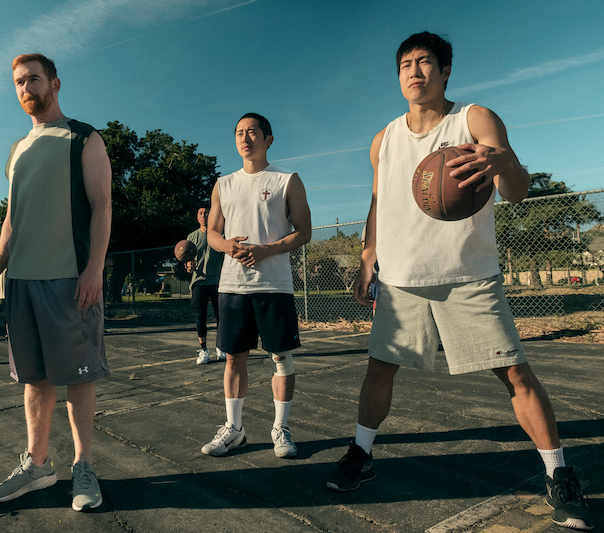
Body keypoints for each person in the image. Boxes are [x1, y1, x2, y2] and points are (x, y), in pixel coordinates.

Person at [326, 32, 592, 531]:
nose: (414, 71)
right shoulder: (384, 139)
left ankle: (559, 475)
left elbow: (515, 193)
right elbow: (379, 204)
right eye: (405, 64)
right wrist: (368, 256)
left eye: (424, 61)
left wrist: (505, 163)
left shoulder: (472, 119)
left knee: (514, 374)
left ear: (445, 70)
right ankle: (360, 454)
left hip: (468, 276)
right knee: (379, 371)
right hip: (402, 280)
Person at [0, 53, 112, 513]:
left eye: (33, 78)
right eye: (18, 82)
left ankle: (83, 466)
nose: (25, 87)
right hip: (21, 281)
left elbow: (101, 206)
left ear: (55, 84)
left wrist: (94, 267)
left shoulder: (83, 136)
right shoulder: (18, 149)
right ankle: (38, 465)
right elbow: (12, 219)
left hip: (69, 278)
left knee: (79, 377)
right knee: (34, 380)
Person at [202, 112, 311, 459]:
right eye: (238, 133)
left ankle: (281, 428)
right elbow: (213, 233)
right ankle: (234, 429)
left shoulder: (287, 179)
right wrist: (227, 245)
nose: (245, 138)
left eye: (252, 132)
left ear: (268, 139)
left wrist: (267, 250)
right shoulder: (224, 183)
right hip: (232, 286)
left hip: (274, 285)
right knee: (234, 360)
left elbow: (304, 231)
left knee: (280, 357)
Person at [185, 207, 225, 365]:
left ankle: (221, 347)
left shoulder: (220, 235)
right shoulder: (192, 237)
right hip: (199, 282)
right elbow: (188, 266)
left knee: (220, 316)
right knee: (200, 317)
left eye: (206, 212)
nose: (203, 215)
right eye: (200, 213)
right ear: (197, 217)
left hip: (217, 281)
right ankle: (204, 350)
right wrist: (190, 267)